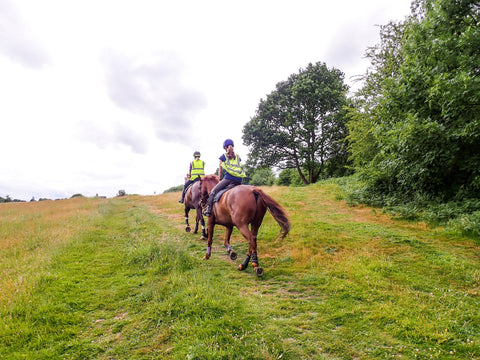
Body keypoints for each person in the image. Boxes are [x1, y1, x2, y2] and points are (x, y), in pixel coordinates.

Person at [203, 139, 246, 217]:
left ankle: (209, 210)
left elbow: (220, 170)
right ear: (232, 146)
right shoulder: (238, 157)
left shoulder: (223, 156)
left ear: (225, 147)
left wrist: (220, 178)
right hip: (239, 179)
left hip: (229, 178)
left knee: (213, 191)